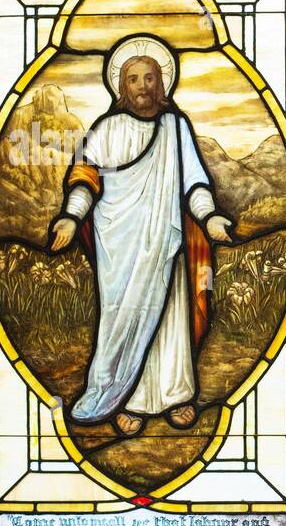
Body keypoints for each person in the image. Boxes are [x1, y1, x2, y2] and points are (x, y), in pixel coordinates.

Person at [50, 39, 233, 436]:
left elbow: (194, 183)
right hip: (119, 245)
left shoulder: (175, 126)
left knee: (170, 318)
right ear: (121, 87)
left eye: (150, 77)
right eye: (133, 78)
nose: (143, 86)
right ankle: (126, 400)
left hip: (165, 244)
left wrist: (210, 216)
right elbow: (85, 179)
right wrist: (69, 217)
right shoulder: (105, 129)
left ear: (162, 83)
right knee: (121, 317)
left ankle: (175, 395)